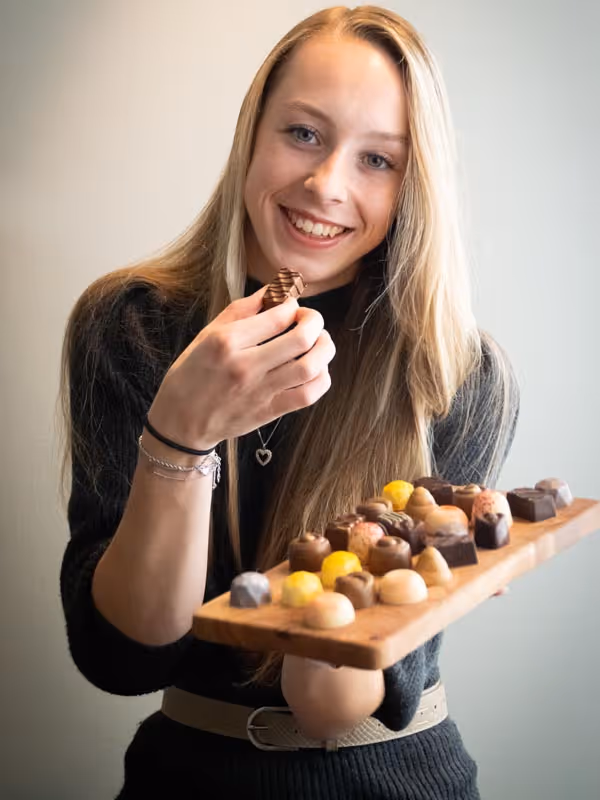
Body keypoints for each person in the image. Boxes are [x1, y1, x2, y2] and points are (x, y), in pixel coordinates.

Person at [59, 6, 519, 799]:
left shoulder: (455, 372)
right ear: (253, 131)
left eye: (378, 159)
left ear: (413, 185)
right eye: (303, 133)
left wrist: (411, 567)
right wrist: (181, 433)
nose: (327, 185)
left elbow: (328, 704)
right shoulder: (131, 325)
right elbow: (125, 657)